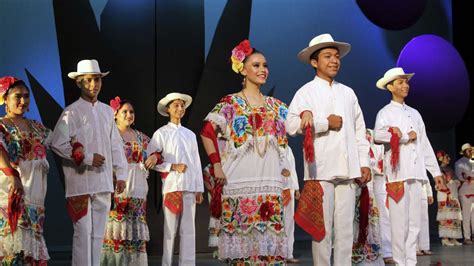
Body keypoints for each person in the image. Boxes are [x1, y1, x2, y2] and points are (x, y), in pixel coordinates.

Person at [201, 39, 290, 265]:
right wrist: (217, 165)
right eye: (256, 65)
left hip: (269, 184)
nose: (263, 70)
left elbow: (297, 123)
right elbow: (206, 132)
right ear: (243, 69)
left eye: (265, 65)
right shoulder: (231, 103)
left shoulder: (276, 106)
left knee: (269, 253)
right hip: (239, 183)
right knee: (242, 255)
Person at [286, 33, 371, 265]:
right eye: (327, 56)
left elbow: (359, 131)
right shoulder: (306, 92)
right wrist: (324, 123)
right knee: (321, 231)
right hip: (320, 170)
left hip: (347, 169)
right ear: (314, 62)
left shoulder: (348, 93)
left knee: (345, 230)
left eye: (336, 56)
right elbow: (291, 125)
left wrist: (364, 162)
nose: (334, 60)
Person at [52, 59, 128, 266]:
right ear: (79, 83)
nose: (93, 84)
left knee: (97, 237)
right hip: (80, 184)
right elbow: (57, 143)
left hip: (103, 182)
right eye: (88, 80)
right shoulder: (71, 112)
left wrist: (121, 174)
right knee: (83, 234)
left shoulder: (106, 112)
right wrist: (86, 158)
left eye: (96, 80)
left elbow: (115, 145)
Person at [374, 67, 445, 266]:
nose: (405, 85)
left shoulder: (415, 114)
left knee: (415, 223)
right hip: (398, 175)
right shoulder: (385, 113)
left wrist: (435, 172)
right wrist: (403, 137)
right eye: (400, 82)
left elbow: (424, 144)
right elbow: (378, 136)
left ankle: (411, 261)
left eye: (406, 82)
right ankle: (398, 261)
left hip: (416, 175)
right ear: (390, 87)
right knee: (399, 224)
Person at [100, 97, 161, 265]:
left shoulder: (141, 137)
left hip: (139, 190)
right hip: (118, 189)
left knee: (135, 232)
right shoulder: (110, 135)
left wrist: (155, 156)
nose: (129, 114)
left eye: (131, 112)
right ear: (115, 115)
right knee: (117, 233)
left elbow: (158, 151)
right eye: (124, 111)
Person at [147, 92, 204, 266]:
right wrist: (172, 166)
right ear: (168, 109)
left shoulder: (190, 135)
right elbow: (150, 160)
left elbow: (196, 163)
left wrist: (199, 189)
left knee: (189, 230)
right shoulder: (161, 133)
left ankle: (187, 263)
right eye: (176, 105)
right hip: (171, 186)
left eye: (182, 106)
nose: (180, 108)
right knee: (170, 230)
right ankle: (166, 263)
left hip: (189, 187)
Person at [0, 77, 51, 264]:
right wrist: (12, 176)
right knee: (13, 248)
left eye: (26, 96)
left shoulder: (37, 127)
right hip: (12, 192)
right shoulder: (2, 125)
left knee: (31, 250)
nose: (23, 101)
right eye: (17, 96)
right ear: (5, 99)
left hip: (35, 196)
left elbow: (59, 141)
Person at [351, 129, 383, 266]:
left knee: (372, 222)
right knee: (355, 222)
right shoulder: (352, 150)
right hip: (355, 189)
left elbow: (379, 168)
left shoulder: (373, 152)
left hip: (369, 190)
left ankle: (372, 258)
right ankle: (356, 258)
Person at [436, 150, 463, 246]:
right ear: (442, 158)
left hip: (453, 194)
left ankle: (453, 237)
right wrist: (447, 188)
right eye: (447, 157)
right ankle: (445, 238)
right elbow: (440, 183)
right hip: (445, 195)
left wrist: (456, 182)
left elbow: (455, 179)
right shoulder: (438, 170)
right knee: (446, 216)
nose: (449, 159)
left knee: (454, 216)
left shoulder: (450, 169)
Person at [283, 146, 300, 263]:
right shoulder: (270, 145)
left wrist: (296, 188)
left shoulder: (288, 149)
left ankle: (289, 253)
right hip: (276, 189)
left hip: (289, 189)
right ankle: (278, 254)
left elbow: (292, 169)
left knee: (289, 223)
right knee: (278, 222)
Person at [454, 143, 474, 244]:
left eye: (472, 150)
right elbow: (460, 177)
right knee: (466, 215)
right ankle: (467, 237)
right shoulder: (459, 163)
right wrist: (468, 177)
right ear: (464, 151)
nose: (471, 152)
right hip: (465, 190)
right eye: (469, 150)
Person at [416, 181, 434, 255]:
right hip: (412, 195)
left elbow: (427, 181)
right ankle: (415, 248)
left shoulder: (422, 168)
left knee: (424, 221)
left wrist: (429, 194)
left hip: (423, 195)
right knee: (414, 222)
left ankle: (425, 247)